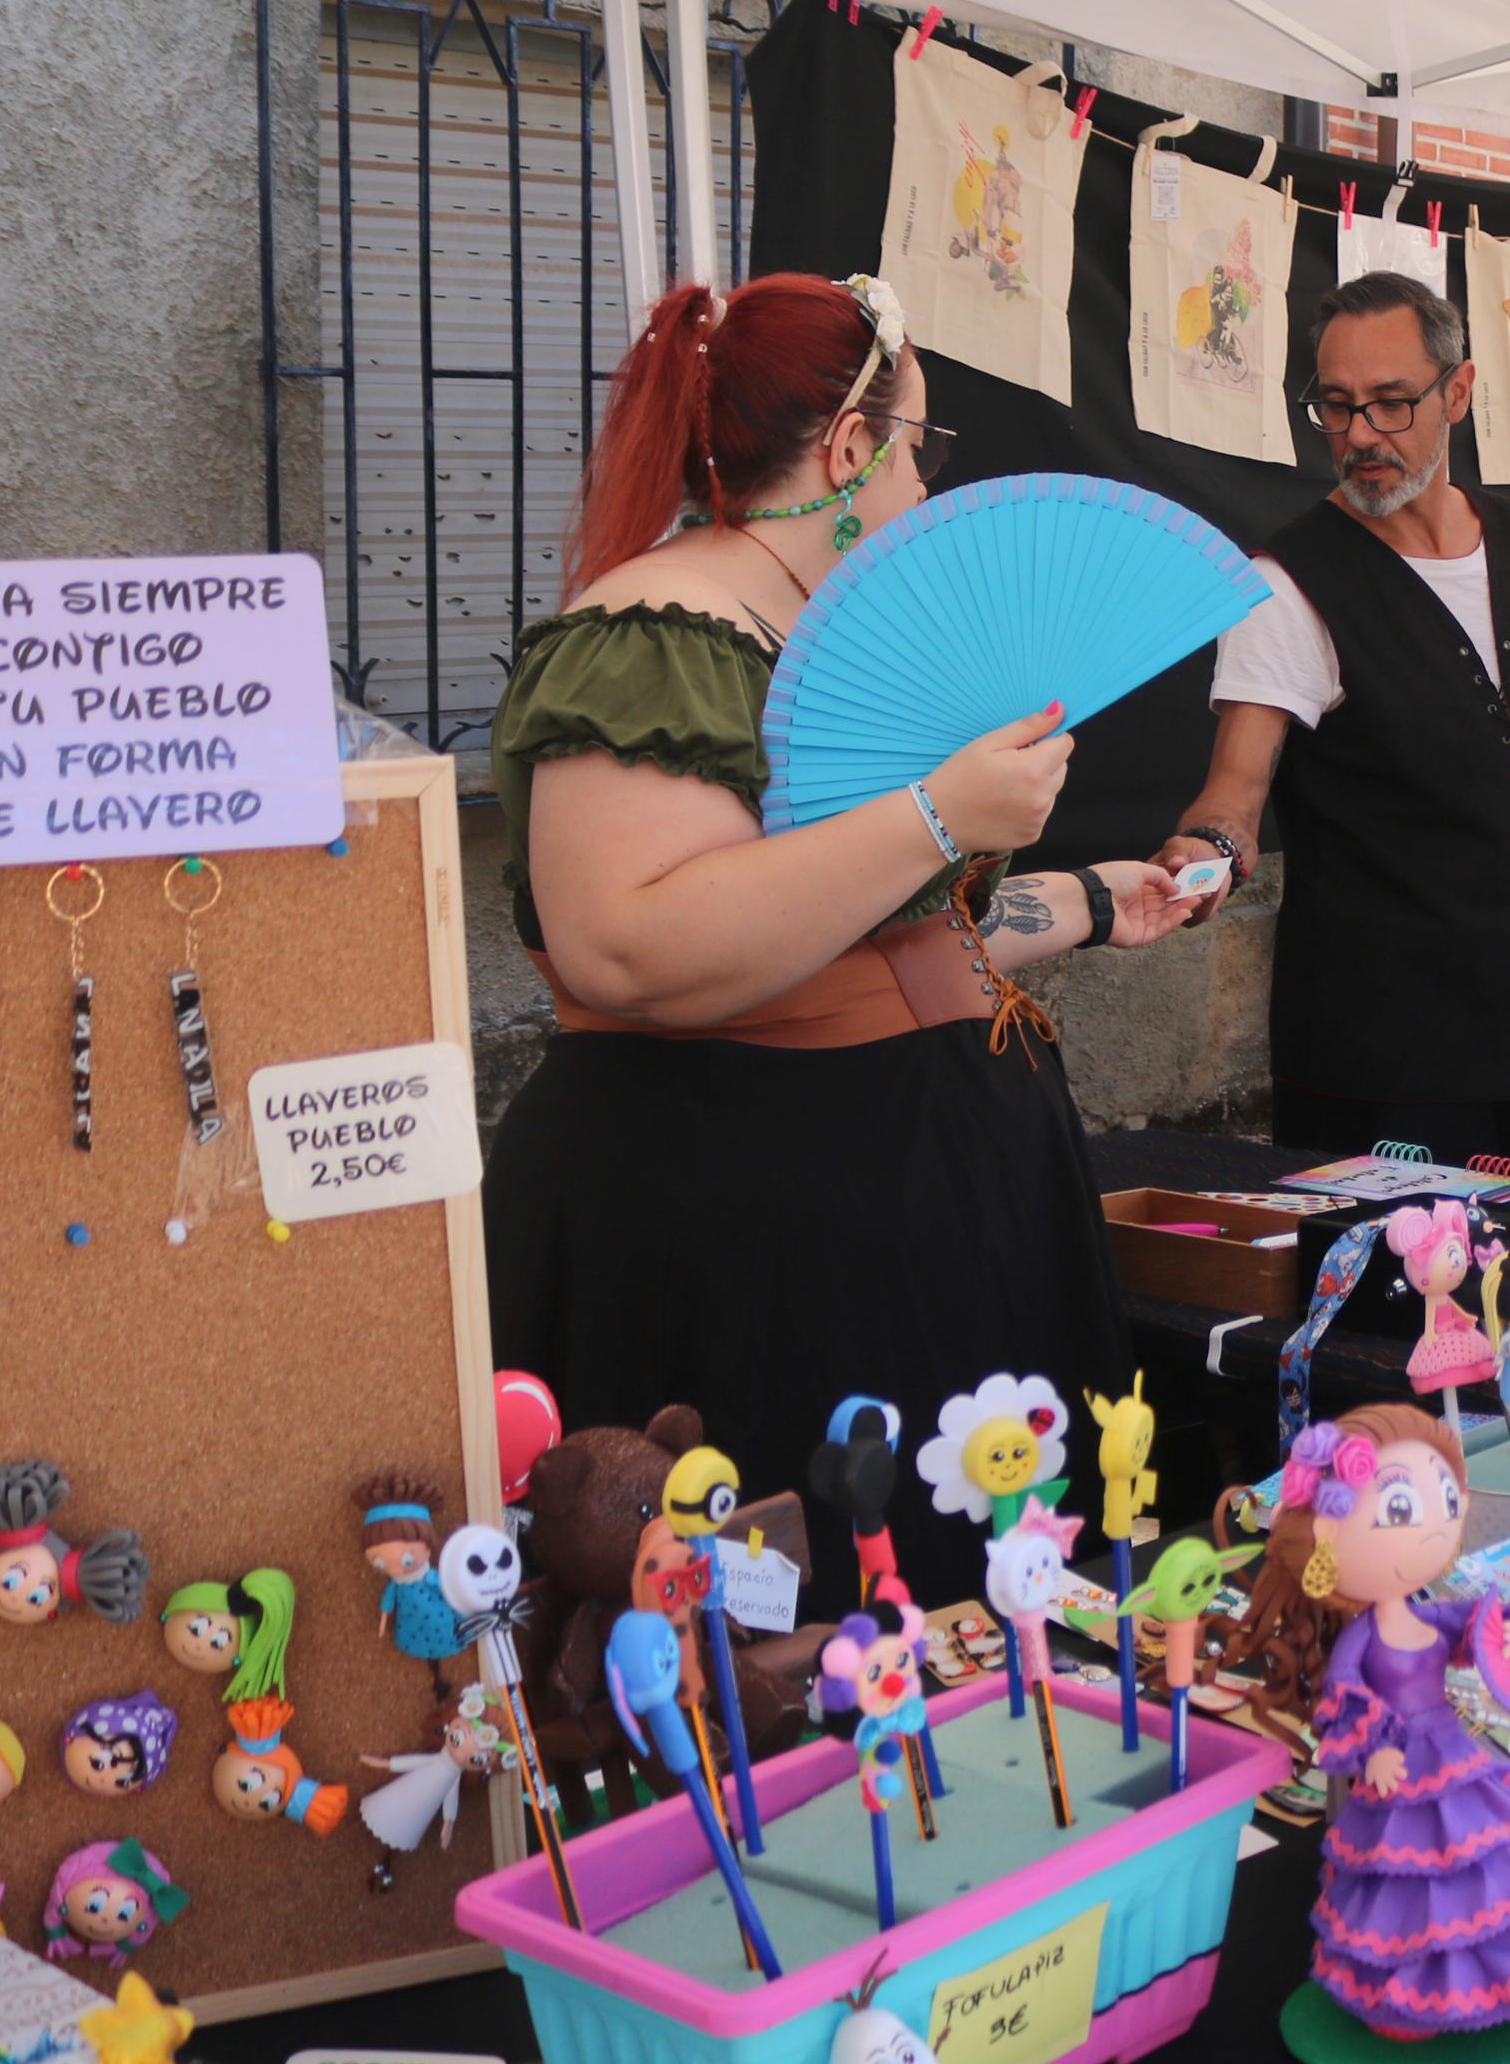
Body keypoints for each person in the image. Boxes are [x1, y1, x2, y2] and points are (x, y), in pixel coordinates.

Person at [482, 270, 1203, 1604]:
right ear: (848, 447)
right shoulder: (652, 632)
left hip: (912, 1194)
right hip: (761, 1225)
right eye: (918, 446)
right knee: (808, 1624)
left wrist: (1098, 899)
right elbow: (624, 945)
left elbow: (870, 937)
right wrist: (938, 810)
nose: (923, 489)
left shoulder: (802, 626)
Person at [1156, 272, 1510, 1168]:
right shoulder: (1284, 586)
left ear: (1458, 391)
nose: (1359, 435)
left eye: (1390, 404)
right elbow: (1234, 794)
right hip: (1389, 1066)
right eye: (1335, 406)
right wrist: (1203, 852)